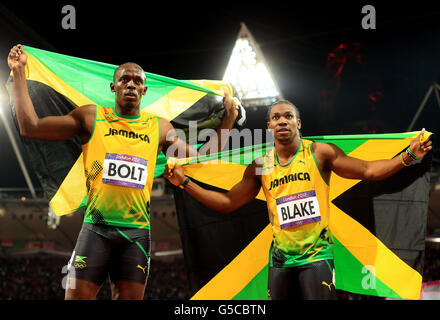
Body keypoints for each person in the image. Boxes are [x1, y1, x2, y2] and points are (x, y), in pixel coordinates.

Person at [7, 44, 239, 300]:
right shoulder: (91, 117)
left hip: (136, 234)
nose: (131, 84)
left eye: (137, 81)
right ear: (113, 87)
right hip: (95, 229)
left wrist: (228, 119)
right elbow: (32, 127)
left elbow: (203, 160)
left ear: (144, 90)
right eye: (124, 80)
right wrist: (18, 73)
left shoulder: (159, 128)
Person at [164, 99, 433, 300]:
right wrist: (185, 183)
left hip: (318, 257)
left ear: (298, 123)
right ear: (268, 126)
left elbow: (368, 171)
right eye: (276, 117)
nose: (282, 121)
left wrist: (408, 155)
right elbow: (227, 203)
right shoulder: (260, 166)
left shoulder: (319, 153)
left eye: (288, 116)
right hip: (280, 263)